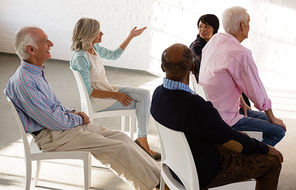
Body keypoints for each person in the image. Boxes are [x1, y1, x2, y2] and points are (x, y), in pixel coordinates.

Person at [5, 26, 161, 190]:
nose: (51, 43)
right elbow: (52, 121)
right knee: (117, 148)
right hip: (52, 136)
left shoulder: (34, 73)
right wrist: (78, 118)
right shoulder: (25, 82)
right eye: (45, 41)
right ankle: (155, 186)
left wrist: (73, 113)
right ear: (31, 49)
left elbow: (52, 108)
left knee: (121, 137)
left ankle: (159, 176)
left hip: (61, 128)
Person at [151, 43, 282, 190]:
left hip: (176, 166)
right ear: (193, 67)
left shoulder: (157, 95)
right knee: (272, 163)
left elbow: (223, 134)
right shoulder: (197, 106)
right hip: (205, 171)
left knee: (240, 137)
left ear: (163, 68)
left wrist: (239, 136)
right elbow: (232, 141)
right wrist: (265, 148)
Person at [70, 18, 160, 160]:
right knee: (140, 103)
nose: (102, 33)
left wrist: (131, 36)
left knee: (144, 94)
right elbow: (88, 92)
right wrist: (115, 95)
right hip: (97, 100)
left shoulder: (94, 47)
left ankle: (141, 140)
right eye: (98, 31)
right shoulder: (81, 57)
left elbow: (114, 55)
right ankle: (142, 142)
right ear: (89, 34)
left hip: (107, 89)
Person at [199, 6, 286, 146]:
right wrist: (272, 117)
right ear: (242, 25)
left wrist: (240, 100)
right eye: (249, 22)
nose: (249, 26)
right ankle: (247, 158)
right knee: (278, 130)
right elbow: (257, 91)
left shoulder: (214, 41)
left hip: (213, 112)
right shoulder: (241, 53)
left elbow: (224, 78)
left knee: (261, 118)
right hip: (225, 119)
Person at [189, 14, 219, 82]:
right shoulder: (196, 46)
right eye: (200, 27)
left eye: (207, 27)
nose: (202, 30)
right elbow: (208, 68)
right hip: (202, 84)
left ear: (214, 29)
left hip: (212, 81)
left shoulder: (216, 43)